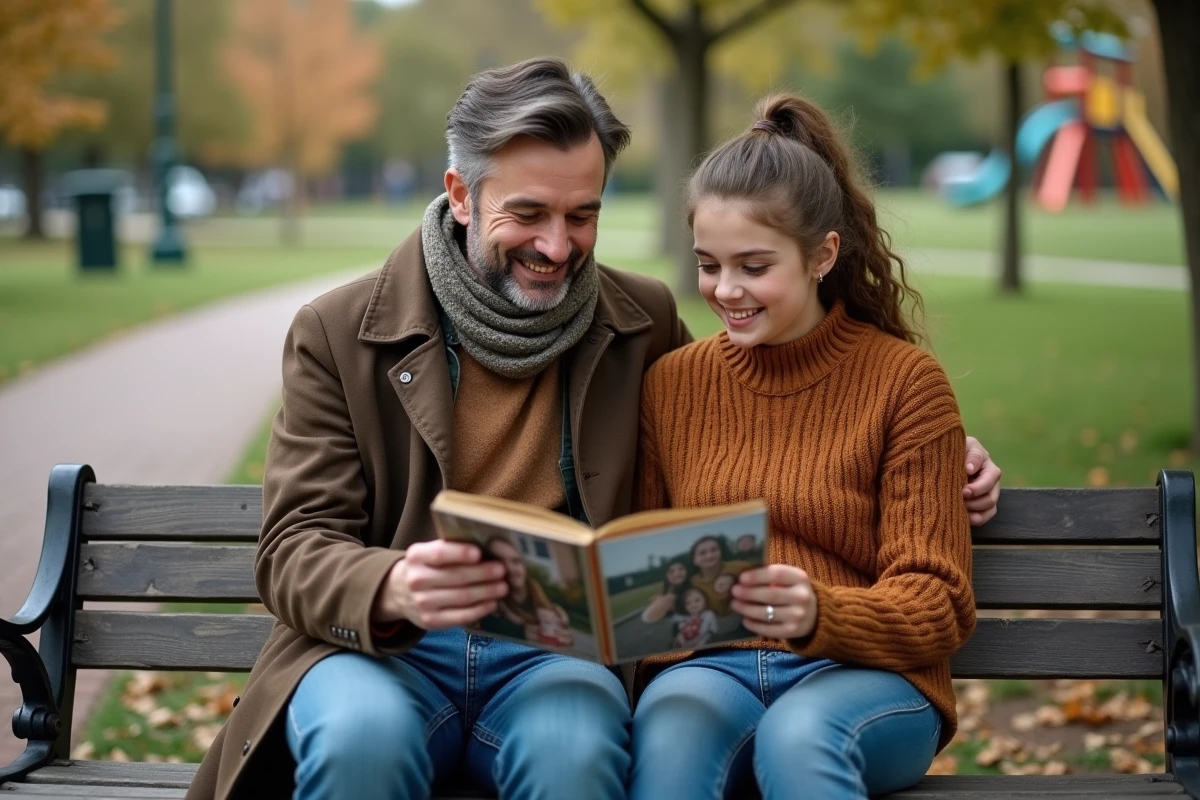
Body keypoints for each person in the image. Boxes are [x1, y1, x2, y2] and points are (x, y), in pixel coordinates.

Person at [186, 57, 1002, 800]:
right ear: (462, 195)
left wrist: (941, 458)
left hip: (550, 658)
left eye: (583, 214)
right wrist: (392, 585)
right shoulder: (339, 332)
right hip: (385, 649)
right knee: (363, 739)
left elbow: (767, 397)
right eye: (529, 213)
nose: (556, 245)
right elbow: (292, 546)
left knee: (576, 752)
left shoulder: (639, 323)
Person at [630, 94, 980, 799]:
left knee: (800, 738)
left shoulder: (904, 382)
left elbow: (938, 599)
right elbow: (644, 575)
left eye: (754, 267)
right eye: (708, 264)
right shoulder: (671, 385)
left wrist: (822, 613)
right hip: (710, 671)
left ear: (823, 255)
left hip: (866, 677)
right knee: (668, 737)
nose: (726, 290)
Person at [483, 537, 574, 647]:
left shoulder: (544, 600)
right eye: (499, 562)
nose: (510, 568)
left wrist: (565, 638)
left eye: (516, 561)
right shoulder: (488, 615)